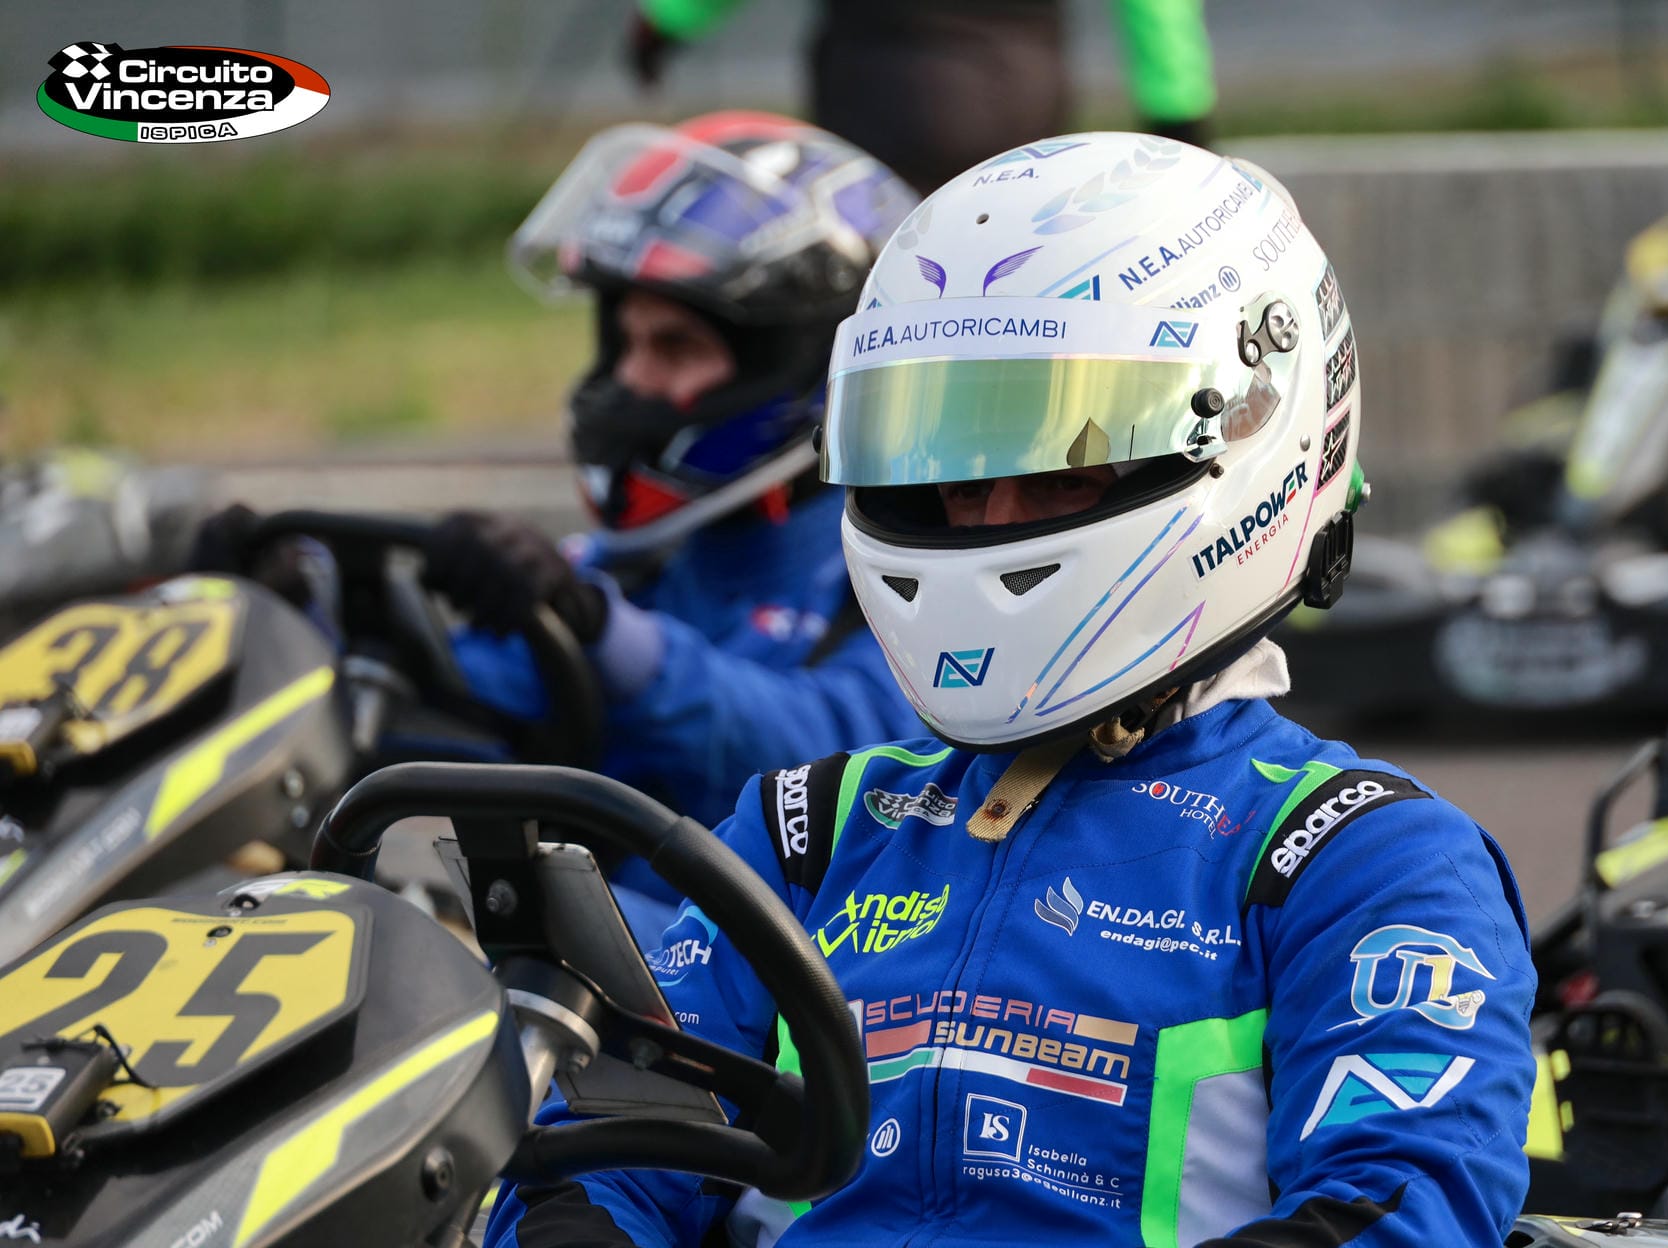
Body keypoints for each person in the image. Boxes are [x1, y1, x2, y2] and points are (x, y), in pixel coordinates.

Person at [489, 133, 1537, 1246]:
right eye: (950, 464)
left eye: (1060, 464)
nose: (986, 515)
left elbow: (1399, 1202)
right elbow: (611, 1146)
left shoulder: (1358, 858)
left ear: (1247, 438)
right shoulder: (808, 830)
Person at [195, 112, 926, 846]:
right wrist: (321, 620)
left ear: (813, 368)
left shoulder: (897, 567)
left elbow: (838, 763)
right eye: (625, 344)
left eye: (675, 347)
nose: (631, 381)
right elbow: (473, 709)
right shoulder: (644, 565)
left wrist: (602, 632)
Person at [625, 0, 1217, 194]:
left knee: (874, 315)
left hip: (872, 99)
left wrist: (666, 22)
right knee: (1008, 306)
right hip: (1016, 99)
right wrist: (1178, 115)